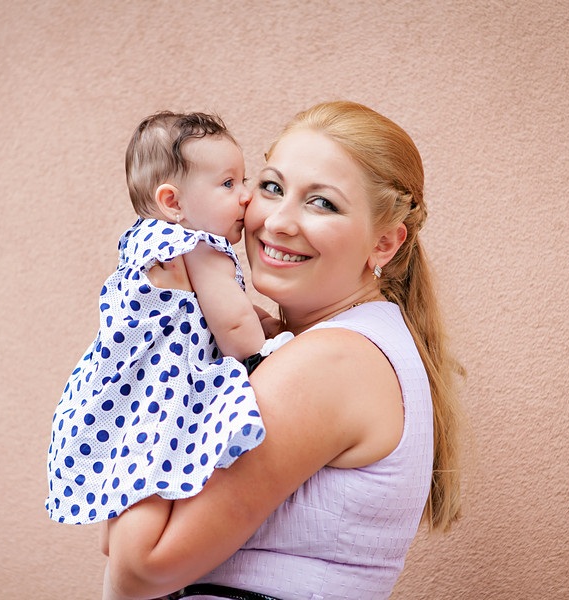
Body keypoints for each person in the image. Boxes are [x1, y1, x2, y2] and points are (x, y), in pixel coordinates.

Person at [102, 101, 466, 600]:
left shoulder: (328, 363)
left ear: (384, 243)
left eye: (323, 203)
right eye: (271, 188)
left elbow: (137, 566)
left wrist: (146, 368)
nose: (278, 222)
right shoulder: (329, 346)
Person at [46, 111, 288, 526]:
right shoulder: (198, 245)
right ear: (173, 203)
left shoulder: (144, 239)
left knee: (132, 495)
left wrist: (258, 318)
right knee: (168, 473)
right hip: (166, 386)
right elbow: (232, 329)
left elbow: (212, 309)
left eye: (244, 179)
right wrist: (266, 352)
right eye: (229, 183)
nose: (246, 195)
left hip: (119, 387)